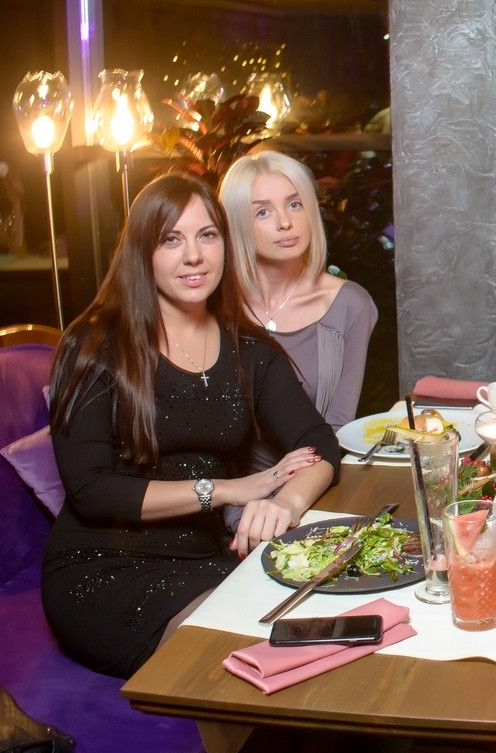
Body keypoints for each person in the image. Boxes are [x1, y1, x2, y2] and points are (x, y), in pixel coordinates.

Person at [42, 174, 341, 678]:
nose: (194, 256)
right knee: (242, 665)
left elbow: (319, 443)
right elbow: (92, 490)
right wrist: (225, 489)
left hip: (207, 560)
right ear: (143, 252)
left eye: (207, 235)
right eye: (171, 240)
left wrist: (286, 502)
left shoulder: (250, 351)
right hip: (103, 568)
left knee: (323, 642)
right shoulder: (94, 346)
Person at [219, 150, 377, 432]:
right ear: (237, 224)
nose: (285, 222)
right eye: (263, 211)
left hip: (318, 457)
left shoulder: (350, 304)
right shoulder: (217, 305)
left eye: (295, 204)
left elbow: (339, 426)